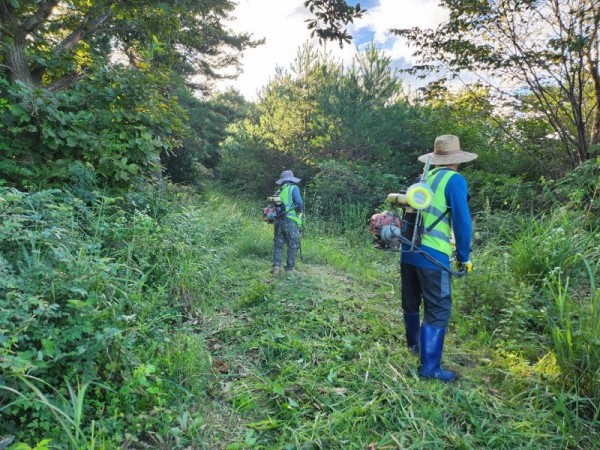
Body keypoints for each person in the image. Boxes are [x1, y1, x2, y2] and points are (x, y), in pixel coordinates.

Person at [401, 134, 477, 382]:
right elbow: (462, 222)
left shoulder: (423, 178)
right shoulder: (454, 180)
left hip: (408, 252)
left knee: (411, 302)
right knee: (438, 309)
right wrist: (463, 257)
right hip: (433, 256)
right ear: (457, 159)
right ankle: (430, 369)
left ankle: (414, 347)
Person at [272, 170, 303, 275]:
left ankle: (276, 266)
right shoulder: (293, 188)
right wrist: (300, 211)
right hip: (290, 220)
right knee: (293, 244)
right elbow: (299, 202)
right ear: (291, 179)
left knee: (278, 244)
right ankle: (289, 269)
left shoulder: (279, 191)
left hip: (278, 220)